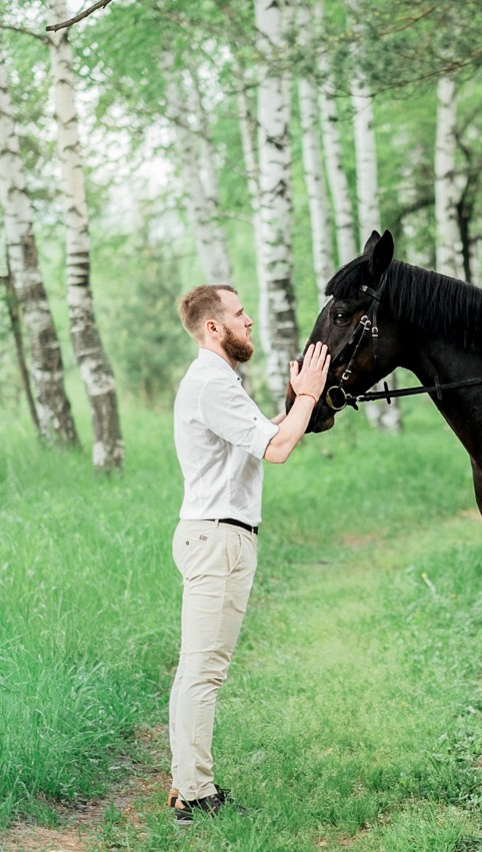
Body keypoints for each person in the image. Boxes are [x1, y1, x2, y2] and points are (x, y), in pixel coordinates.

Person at [168, 283, 329, 824]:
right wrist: (308, 395)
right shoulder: (213, 384)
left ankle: (185, 782)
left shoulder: (217, 382)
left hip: (215, 535)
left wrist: (298, 402)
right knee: (203, 672)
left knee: (197, 668)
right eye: (239, 314)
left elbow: (266, 435)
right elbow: (278, 449)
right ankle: (194, 794)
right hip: (217, 538)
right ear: (213, 327)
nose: (249, 321)